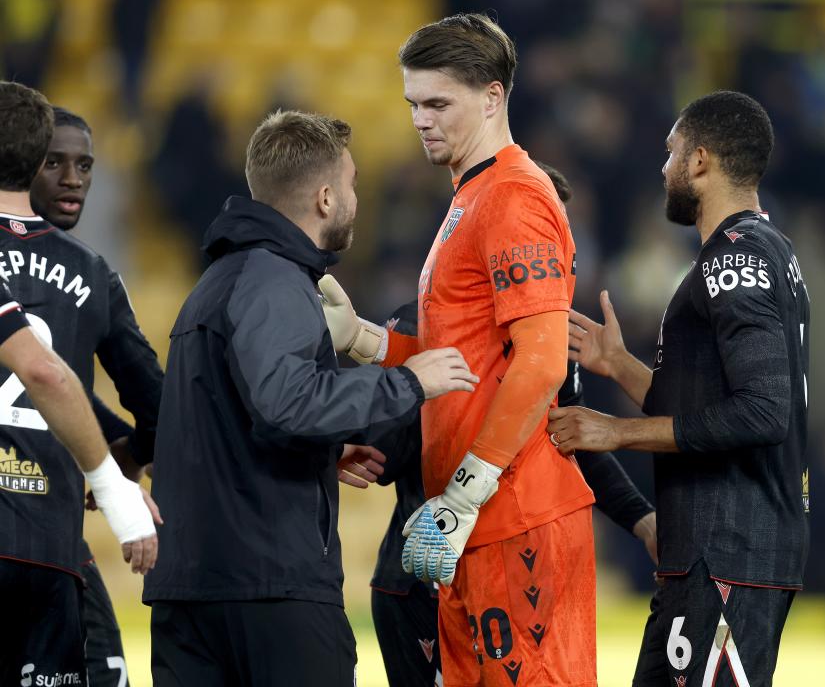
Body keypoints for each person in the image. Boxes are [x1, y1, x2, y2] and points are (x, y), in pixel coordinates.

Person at [142, 109, 479, 685]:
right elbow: (285, 401)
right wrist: (408, 381)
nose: (354, 198)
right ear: (325, 198)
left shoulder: (217, 282)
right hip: (270, 590)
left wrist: (323, 448)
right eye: (350, 184)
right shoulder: (273, 278)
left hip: (194, 589)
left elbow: (241, 421)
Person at [320, 14, 599, 686]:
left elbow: (540, 357)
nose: (421, 119)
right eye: (413, 103)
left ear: (493, 98)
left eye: (438, 103)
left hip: (513, 513)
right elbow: (460, 358)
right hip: (467, 522)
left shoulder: (512, 198)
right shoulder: (470, 197)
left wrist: (469, 491)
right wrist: (365, 338)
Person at [548, 90, 811, 687]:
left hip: (727, 554)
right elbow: (713, 408)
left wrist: (617, 432)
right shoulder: (766, 251)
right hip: (721, 556)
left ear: (699, 161)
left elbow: (762, 414)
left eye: (670, 154)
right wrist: (619, 365)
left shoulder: (729, 263)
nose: (663, 169)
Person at [367, 162, 658, 687]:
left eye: (559, 231)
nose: (550, 249)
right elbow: (385, 456)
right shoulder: (422, 326)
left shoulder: (547, 337)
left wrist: (641, 520)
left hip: (509, 563)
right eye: (543, 231)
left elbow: (571, 437)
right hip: (424, 579)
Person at [0, 80, 160, 686]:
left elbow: (47, 376)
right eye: (57, 162)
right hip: (49, 544)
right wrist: (120, 470)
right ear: (30, 158)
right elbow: (157, 404)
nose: (72, 178)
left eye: (84, 165)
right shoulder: (92, 273)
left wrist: (116, 468)